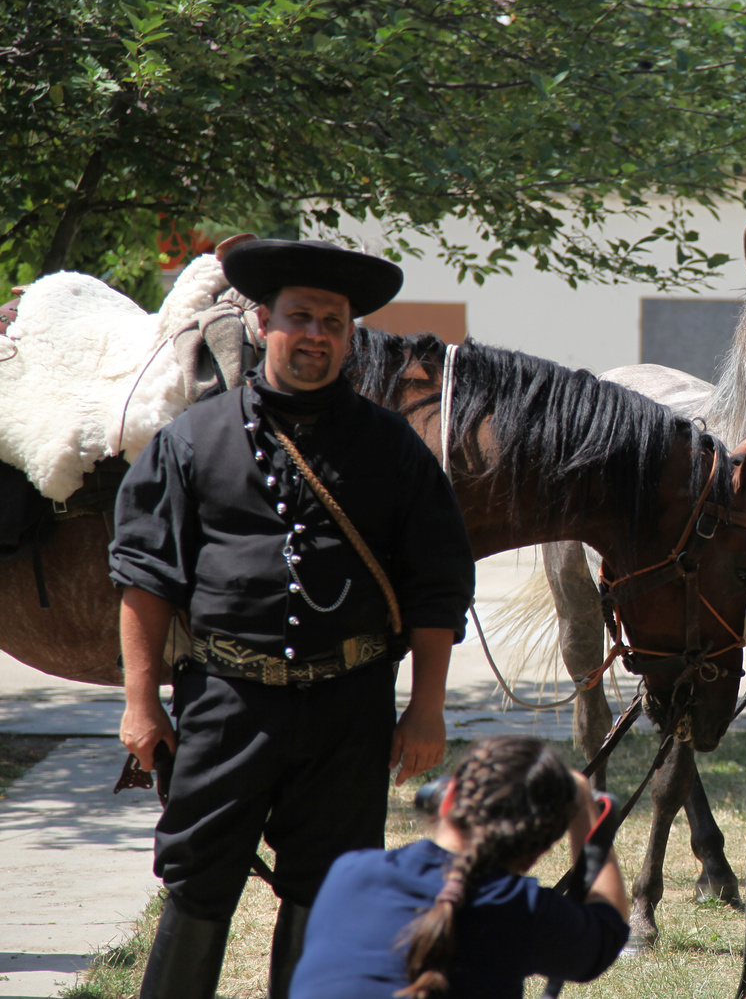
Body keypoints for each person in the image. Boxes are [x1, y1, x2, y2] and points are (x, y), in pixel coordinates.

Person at [110, 238, 476, 999]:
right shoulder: (190, 440)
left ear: (350, 335)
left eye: (333, 322)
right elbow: (144, 576)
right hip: (226, 704)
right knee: (197, 879)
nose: (316, 333)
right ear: (264, 321)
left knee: (329, 886)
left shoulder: (393, 449)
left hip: (350, 707)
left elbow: (437, 585)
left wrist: (429, 705)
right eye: (300, 316)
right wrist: (141, 702)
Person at [288, 735, 629, 999]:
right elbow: (606, 933)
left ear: (446, 800)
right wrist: (585, 810)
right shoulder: (522, 911)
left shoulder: (349, 873)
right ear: (536, 854)